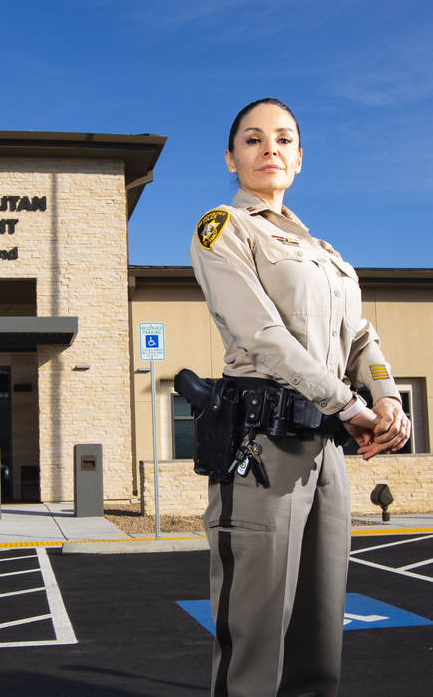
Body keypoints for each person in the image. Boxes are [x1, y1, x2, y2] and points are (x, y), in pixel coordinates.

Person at [189, 98, 411, 696]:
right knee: (256, 634)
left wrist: (387, 397)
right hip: (264, 447)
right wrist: (353, 406)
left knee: (319, 630)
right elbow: (263, 337)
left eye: (283, 140)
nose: (270, 150)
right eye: (254, 140)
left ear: (300, 158)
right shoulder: (223, 229)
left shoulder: (327, 254)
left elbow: (363, 334)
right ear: (231, 158)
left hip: (328, 447)